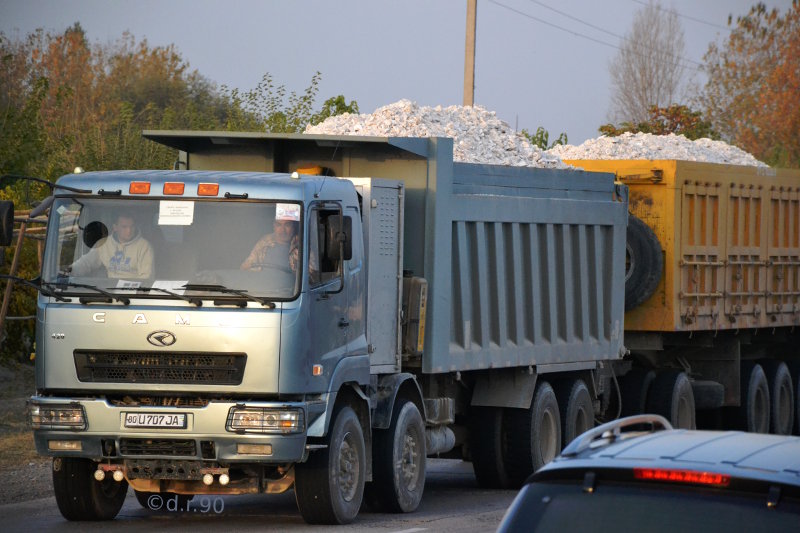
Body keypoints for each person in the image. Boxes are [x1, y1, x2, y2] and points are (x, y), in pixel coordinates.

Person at [70, 213, 154, 279]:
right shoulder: (104, 243)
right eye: (124, 227)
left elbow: (146, 277)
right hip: (109, 292)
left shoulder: (144, 246)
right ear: (115, 227)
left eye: (131, 226)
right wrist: (70, 271)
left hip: (133, 294)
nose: (129, 230)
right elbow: (86, 263)